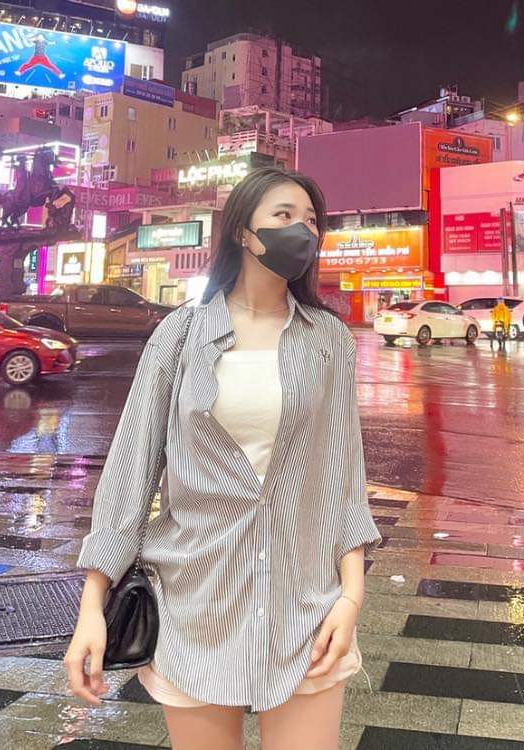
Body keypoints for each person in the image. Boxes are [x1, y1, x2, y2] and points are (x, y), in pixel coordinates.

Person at [64, 167, 381, 750]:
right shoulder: (180, 336)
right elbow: (130, 472)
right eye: (284, 215)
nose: (303, 230)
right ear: (242, 231)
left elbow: (344, 478)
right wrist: (91, 607)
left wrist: (350, 598)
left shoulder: (327, 340)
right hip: (198, 605)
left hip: (305, 609)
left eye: (312, 220)